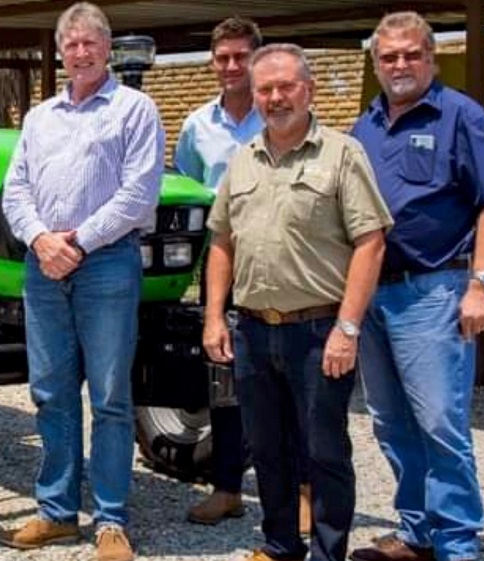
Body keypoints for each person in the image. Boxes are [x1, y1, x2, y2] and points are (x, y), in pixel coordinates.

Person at [203, 43, 392, 561]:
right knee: (267, 448)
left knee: (324, 451)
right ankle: (280, 545)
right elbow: (221, 241)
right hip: (253, 329)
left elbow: (370, 241)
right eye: (265, 89)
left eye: (286, 86)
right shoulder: (244, 161)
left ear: (307, 90)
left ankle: (329, 553)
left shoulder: (341, 154)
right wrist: (215, 317)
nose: (275, 97)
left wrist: (348, 329)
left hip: (317, 331)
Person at [348, 11, 484, 561]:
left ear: (431, 58)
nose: (399, 64)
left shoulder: (460, 116)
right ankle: (417, 532)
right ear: (376, 63)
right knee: (390, 421)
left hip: (434, 293)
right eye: (388, 56)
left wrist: (482, 286)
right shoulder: (365, 125)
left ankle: (457, 543)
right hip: (373, 295)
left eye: (410, 54)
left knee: (440, 422)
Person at [0, 3, 165, 561]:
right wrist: (42, 240)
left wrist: (78, 242)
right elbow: (15, 190)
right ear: (61, 51)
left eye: (90, 41)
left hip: (106, 265)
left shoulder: (134, 109)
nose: (80, 51)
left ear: (107, 47)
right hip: (43, 267)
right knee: (50, 393)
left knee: (112, 396)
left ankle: (112, 520)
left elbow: (139, 193)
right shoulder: (41, 117)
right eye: (70, 44)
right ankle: (57, 511)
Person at [174, 17, 311, 531]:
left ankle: (303, 491)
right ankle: (228, 487)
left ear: (256, 60)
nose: (231, 66)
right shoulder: (196, 127)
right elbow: (189, 195)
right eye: (222, 57)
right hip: (225, 268)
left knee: (292, 384)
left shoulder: (280, 116)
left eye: (241, 57)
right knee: (226, 385)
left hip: (284, 265)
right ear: (212, 62)